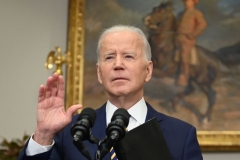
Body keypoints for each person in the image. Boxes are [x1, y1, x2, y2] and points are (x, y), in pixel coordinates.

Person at [18, 25, 202, 160]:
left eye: (128, 56)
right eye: (109, 57)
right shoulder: (70, 133)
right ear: (99, 73)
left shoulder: (181, 135)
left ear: (148, 70)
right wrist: (43, 135)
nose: (118, 65)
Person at [174, 0, 207, 87]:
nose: (186, 3)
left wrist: (193, 34)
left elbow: (202, 24)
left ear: (193, 2)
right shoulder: (181, 14)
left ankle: (184, 78)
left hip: (187, 39)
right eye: (185, 1)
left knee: (184, 57)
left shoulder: (196, 13)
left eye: (188, 1)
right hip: (178, 38)